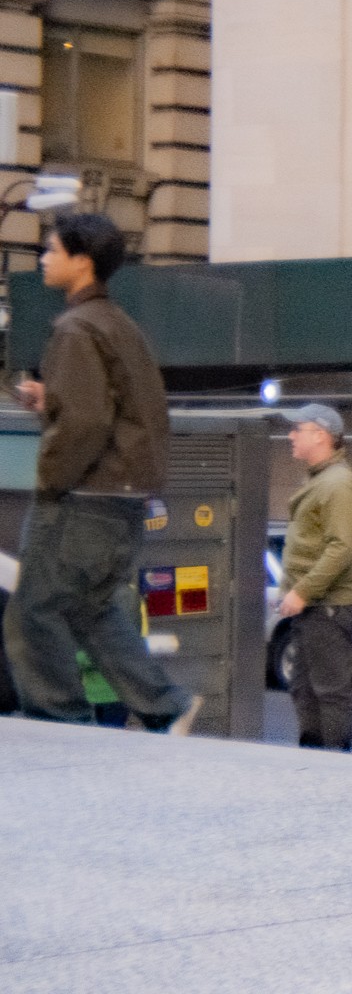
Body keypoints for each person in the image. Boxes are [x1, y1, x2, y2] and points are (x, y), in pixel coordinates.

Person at [1, 213, 199, 734]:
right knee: (89, 608)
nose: (43, 258)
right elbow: (117, 410)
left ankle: (58, 723)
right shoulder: (117, 323)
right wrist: (52, 401)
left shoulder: (76, 328)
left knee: (32, 614)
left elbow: (86, 422)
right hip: (123, 496)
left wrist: (51, 478)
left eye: (51, 250)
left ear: (81, 260)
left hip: (83, 496)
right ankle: (164, 703)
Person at [276, 402, 352, 750]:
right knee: (305, 688)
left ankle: (334, 768)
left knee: (328, 692)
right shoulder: (324, 480)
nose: (291, 435)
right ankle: (316, 762)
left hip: (329, 605)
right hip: (317, 604)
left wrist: (301, 592)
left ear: (320, 435)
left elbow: (340, 548)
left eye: (297, 428)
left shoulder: (337, 484)